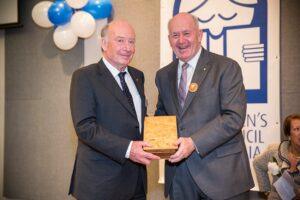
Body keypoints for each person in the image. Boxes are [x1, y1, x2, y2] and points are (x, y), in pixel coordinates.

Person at [155, 12, 254, 200]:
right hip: (179, 176)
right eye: (175, 35)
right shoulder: (163, 75)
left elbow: (233, 117)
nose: (181, 40)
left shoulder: (226, 67)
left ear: (199, 35)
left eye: (187, 33)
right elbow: (163, 115)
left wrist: (193, 142)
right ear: (169, 39)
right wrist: (155, 139)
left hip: (222, 176)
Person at [68, 20, 160, 200]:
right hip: (101, 184)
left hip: (137, 181)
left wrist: (163, 135)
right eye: (120, 40)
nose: (127, 47)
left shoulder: (137, 76)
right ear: (103, 43)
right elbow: (85, 128)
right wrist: (128, 148)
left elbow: (137, 120)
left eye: (131, 41)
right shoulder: (85, 76)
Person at [253, 114, 300, 199]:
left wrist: (292, 169)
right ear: (288, 134)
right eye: (297, 129)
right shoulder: (275, 151)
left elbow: (290, 195)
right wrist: (267, 191)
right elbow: (257, 164)